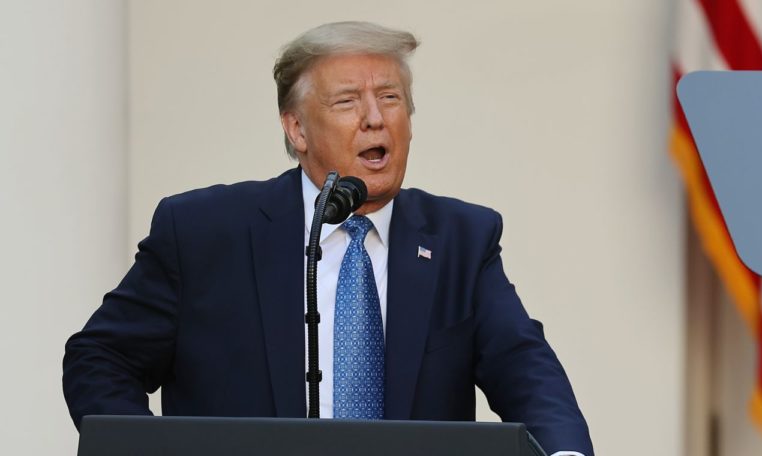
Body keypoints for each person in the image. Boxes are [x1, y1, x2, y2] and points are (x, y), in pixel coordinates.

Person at [62, 21, 592, 455]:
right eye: (346, 102)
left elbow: (525, 369)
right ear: (296, 130)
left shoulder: (461, 239)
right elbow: (100, 357)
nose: (375, 118)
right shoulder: (203, 232)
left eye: (391, 98)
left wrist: (564, 454)